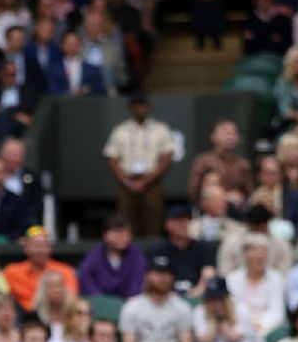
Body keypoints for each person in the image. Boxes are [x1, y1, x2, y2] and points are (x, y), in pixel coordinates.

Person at [104, 93, 174, 236]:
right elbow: (112, 158)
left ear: (149, 107)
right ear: (130, 108)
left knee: (154, 220)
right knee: (126, 222)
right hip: (127, 183)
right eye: (136, 106)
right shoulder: (120, 130)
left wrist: (146, 181)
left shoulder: (160, 129)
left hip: (152, 182)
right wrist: (126, 181)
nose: (140, 109)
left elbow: (166, 158)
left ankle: (152, 254)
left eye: (143, 106)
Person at [119, 256, 194, 342]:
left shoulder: (182, 307)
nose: (162, 278)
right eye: (158, 273)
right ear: (147, 276)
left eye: (166, 273)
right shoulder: (132, 306)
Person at [77, 215, 147, 299]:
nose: (122, 237)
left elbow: (136, 284)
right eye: (117, 233)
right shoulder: (94, 255)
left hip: (130, 304)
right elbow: (85, 278)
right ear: (105, 235)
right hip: (100, 305)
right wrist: (101, 300)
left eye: (126, 233)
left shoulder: (137, 255)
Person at [187, 120, 253, 206]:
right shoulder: (203, 161)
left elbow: (250, 194)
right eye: (225, 132)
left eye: (233, 133)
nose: (230, 137)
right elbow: (193, 193)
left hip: (237, 211)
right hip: (209, 211)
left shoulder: (243, 164)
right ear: (213, 136)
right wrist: (223, 197)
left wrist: (241, 198)